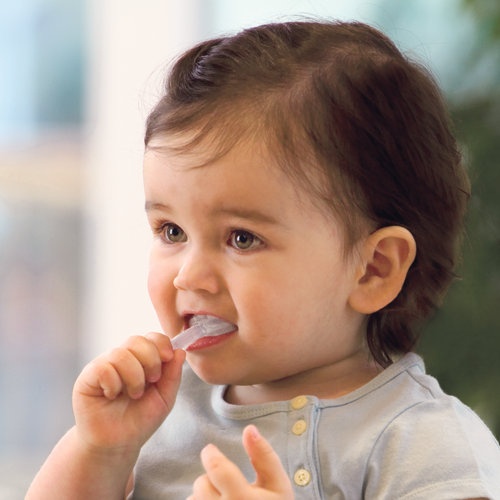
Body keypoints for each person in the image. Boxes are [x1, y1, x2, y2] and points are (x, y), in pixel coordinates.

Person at [27, 20, 500, 499]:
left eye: (242, 239)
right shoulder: (154, 411)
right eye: (172, 232)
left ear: (374, 270)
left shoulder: (425, 444)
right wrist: (99, 450)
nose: (190, 276)